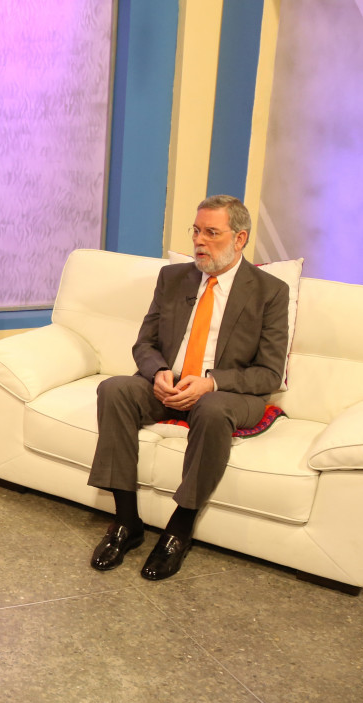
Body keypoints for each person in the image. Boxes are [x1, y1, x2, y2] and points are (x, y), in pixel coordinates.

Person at [87, 194, 289, 580]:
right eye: (196, 231)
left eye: (212, 233)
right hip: (169, 384)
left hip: (227, 395)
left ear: (240, 239)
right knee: (114, 390)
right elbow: (144, 344)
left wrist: (212, 383)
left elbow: (268, 373)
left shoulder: (270, 291)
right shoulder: (173, 278)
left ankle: (179, 529)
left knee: (211, 410)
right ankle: (126, 522)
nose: (199, 241)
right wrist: (159, 371)